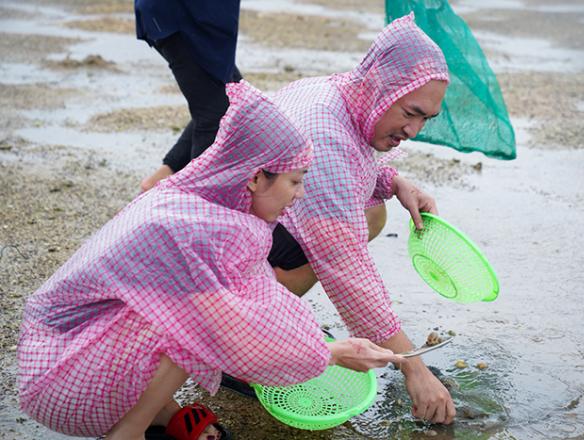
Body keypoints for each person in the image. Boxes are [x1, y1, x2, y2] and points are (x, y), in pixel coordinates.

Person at [17, 81, 403, 440]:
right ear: (254, 178)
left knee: (197, 316)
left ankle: (160, 414)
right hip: (61, 380)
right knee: (199, 326)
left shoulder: (206, 202)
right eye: (296, 180)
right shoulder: (191, 231)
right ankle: (128, 430)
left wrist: (388, 181)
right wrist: (331, 354)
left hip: (75, 350)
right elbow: (235, 330)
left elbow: (261, 299)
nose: (300, 194)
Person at [134, 13, 457, 424]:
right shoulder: (325, 131)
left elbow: (348, 172)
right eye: (410, 113)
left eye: (426, 119)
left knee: (369, 210)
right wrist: (413, 367)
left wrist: (394, 182)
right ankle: (238, 350)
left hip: (227, 227)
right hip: (200, 262)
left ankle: (253, 325)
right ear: (380, 87)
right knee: (333, 242)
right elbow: (344, 265)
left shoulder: (340, 92)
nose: (414, 130)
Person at [135, 0, 243, 192]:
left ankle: (160, 180)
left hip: (195, 17)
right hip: (183, 17)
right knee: (214, 115)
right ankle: (193, 203)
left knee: (234, 99)